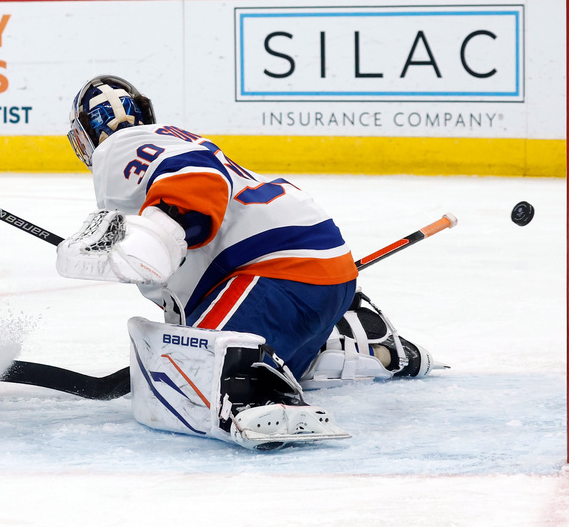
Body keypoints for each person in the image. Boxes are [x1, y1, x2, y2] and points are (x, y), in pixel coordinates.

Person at [56, 76, 437, 449]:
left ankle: (258, 397)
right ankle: (363, 343)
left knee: (187, 375)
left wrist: (155, 235)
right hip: (321, 272)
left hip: (277, 273)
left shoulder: (121, 146)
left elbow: (197, 176)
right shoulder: (164, 142)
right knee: (187, 345)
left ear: (86, 135)